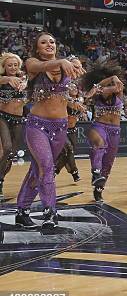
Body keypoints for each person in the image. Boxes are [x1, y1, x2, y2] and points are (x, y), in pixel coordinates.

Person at [15, 32, 85, 229]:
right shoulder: (32, 63)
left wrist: (74, 63)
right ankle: (50, 213)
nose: (49, 45)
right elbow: (39, 66)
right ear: (37, 48)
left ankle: (22, 210)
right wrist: (62, 61)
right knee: (46, 167)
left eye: (52, 42)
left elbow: (72, 83)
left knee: (38, 170)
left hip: (61, 127)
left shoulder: (67, 66)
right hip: (37, 125)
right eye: (44, 42)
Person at [82, 61, 125, 202]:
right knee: (99, 144)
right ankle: (95, 173)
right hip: (99, 126)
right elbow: (93, 92)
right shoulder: (96, 92)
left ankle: (99, 189)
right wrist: (111, 78)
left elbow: (116, 86)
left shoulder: (118, 91)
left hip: (115, 131)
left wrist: (114, 79)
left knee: (108, 164)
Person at [0, 53, 28, 198]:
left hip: (18, 119)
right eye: (9, 65)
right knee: (7, 147)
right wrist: (8, 78)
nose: (12, 67)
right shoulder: (2, 79)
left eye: (15, 65)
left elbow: (28, 85)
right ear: (4, 66)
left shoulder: (24, 78)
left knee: (11, 155)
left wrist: (25, 84)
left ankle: (1, 178)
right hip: (2, 117)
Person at [55, 83, 86, 183]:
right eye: (71, 87)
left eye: (75, 87)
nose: (74, 88)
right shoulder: (65, 100)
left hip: (72, 130)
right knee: (69, 149)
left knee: (67, 153)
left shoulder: (80, 100)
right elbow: (70, 102)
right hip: (61, 129)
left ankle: (56, 170)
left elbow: (79, 102)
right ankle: (74, 173)